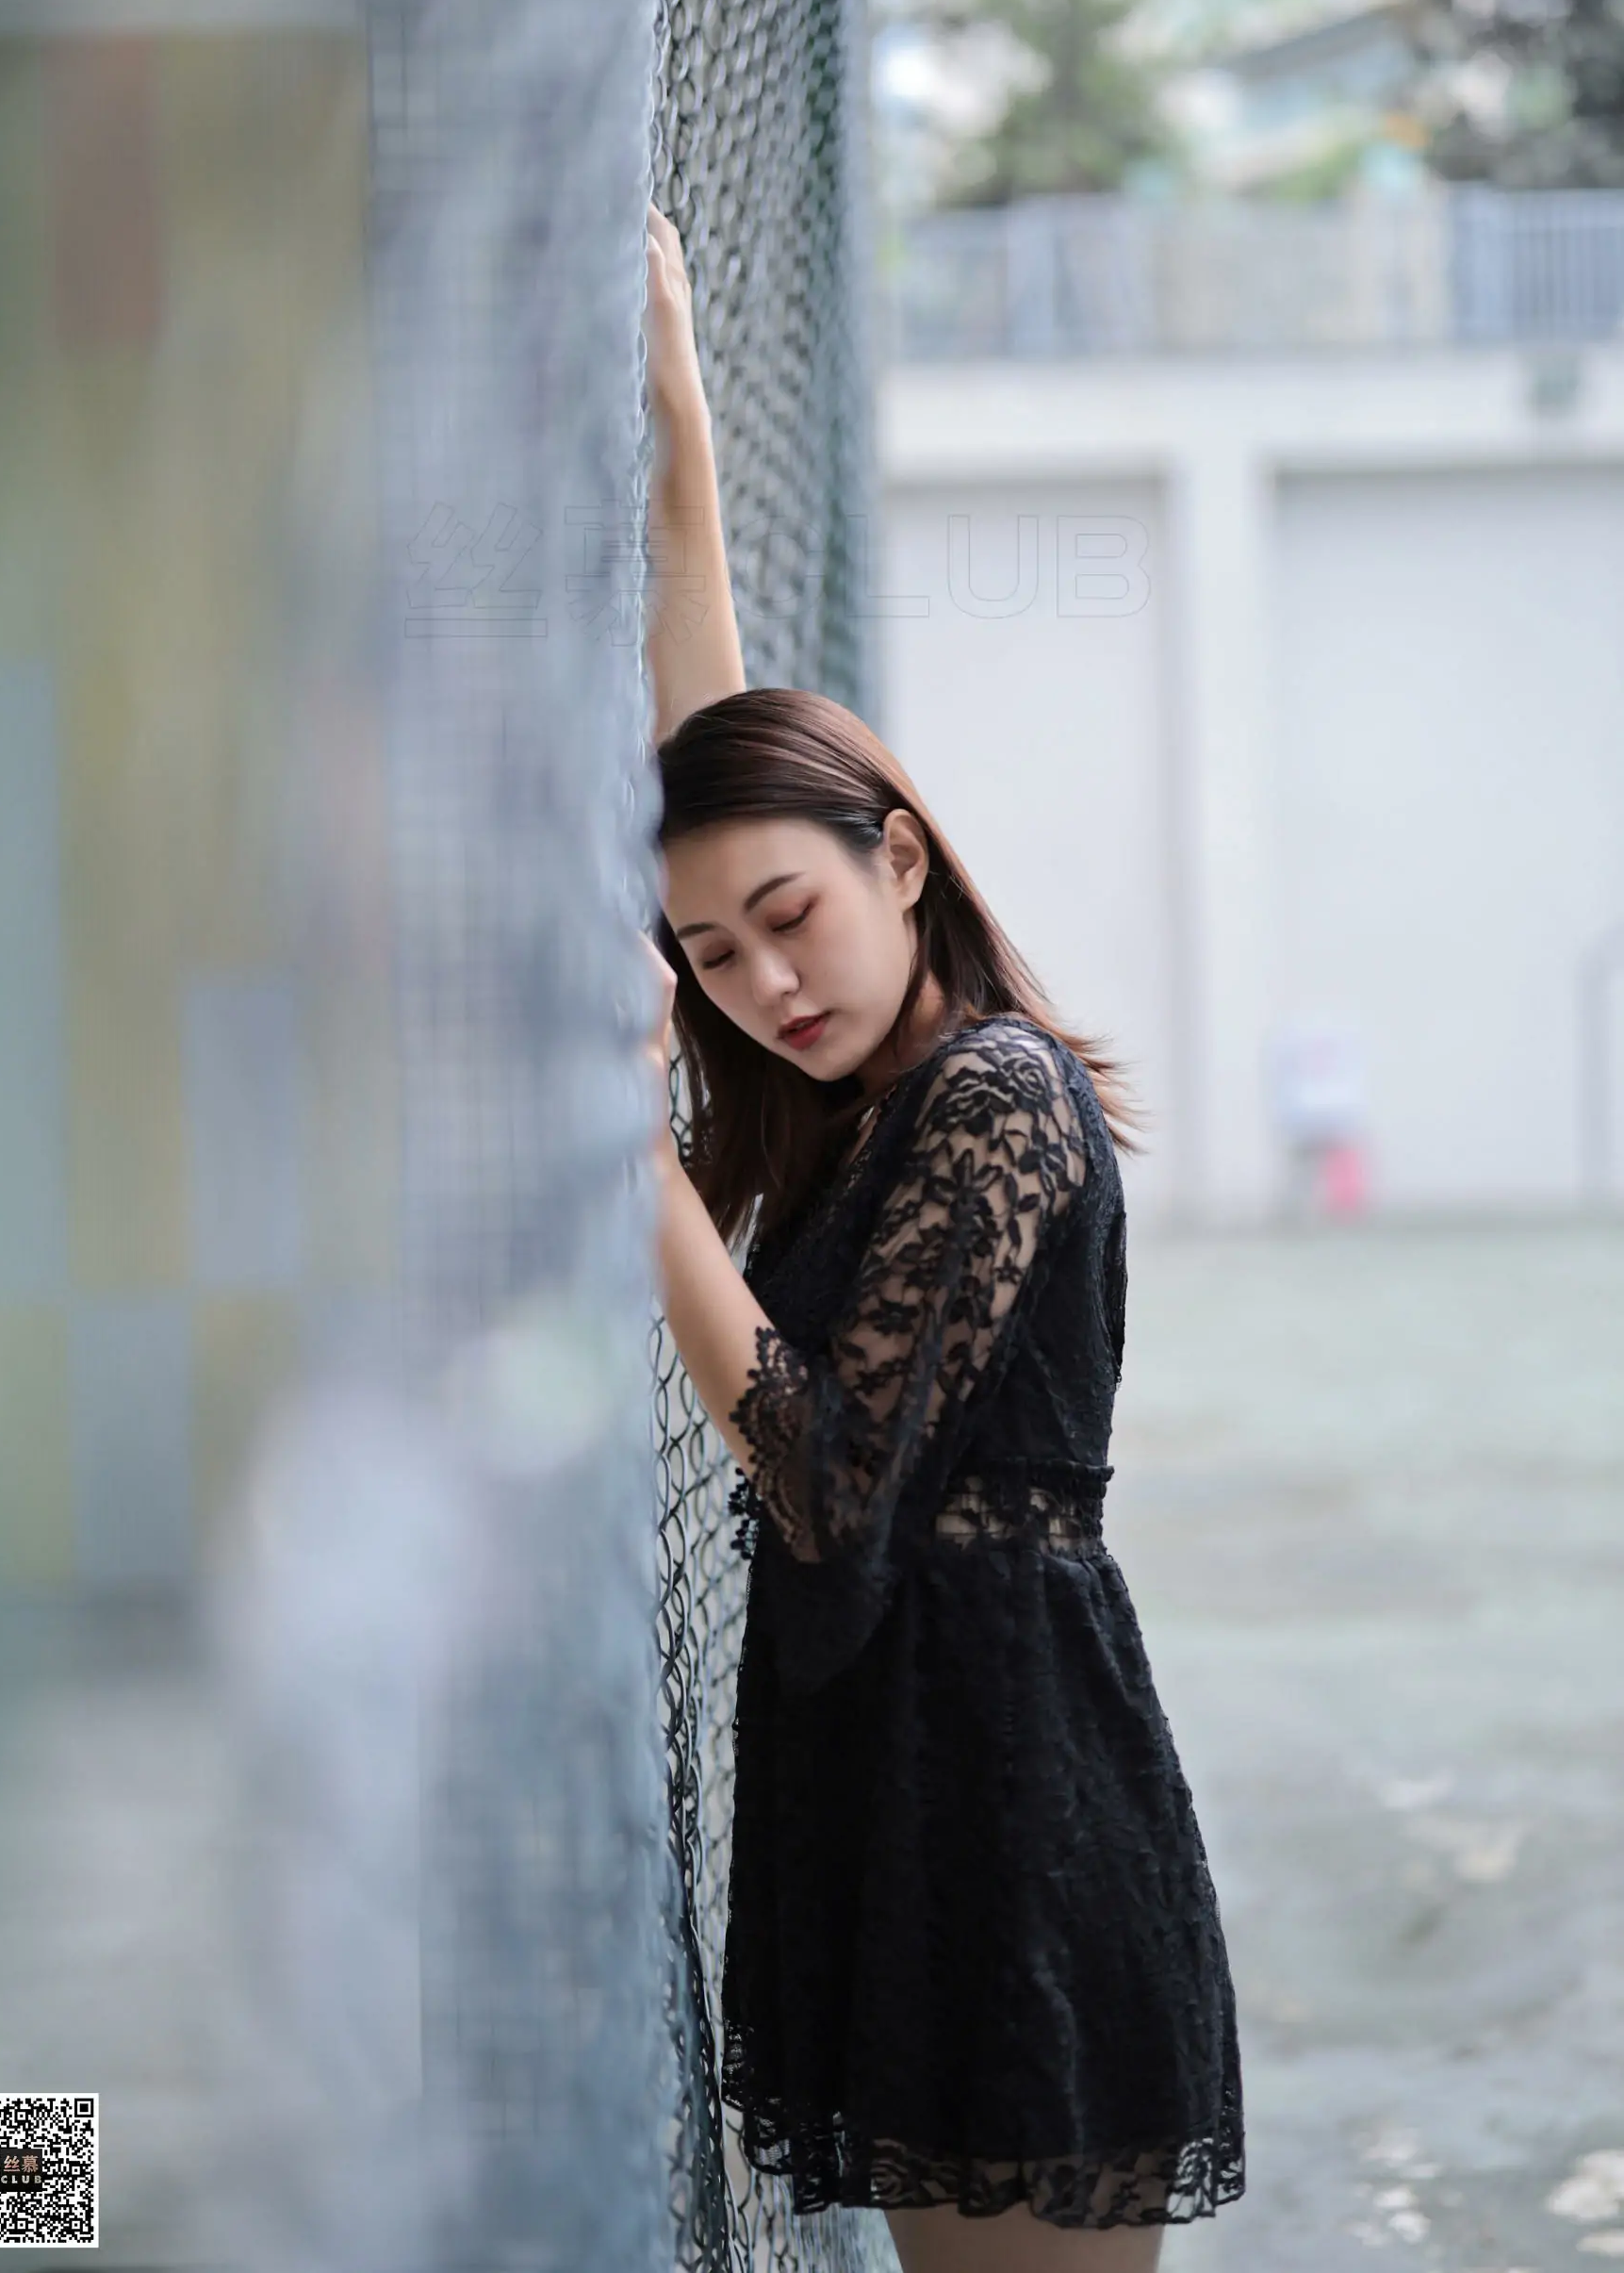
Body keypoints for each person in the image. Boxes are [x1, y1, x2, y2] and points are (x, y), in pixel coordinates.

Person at [638, 204, 1244, 2273]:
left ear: (900, 857)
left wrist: (634, 1163)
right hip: (898, 1791)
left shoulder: (993, 1099)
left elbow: (824, 1476)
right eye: (708, 959)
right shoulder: (849, 1093)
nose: (758, 985)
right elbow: (713, 762)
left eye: (789, 922)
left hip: (1012, 1802)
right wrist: (680, 422)